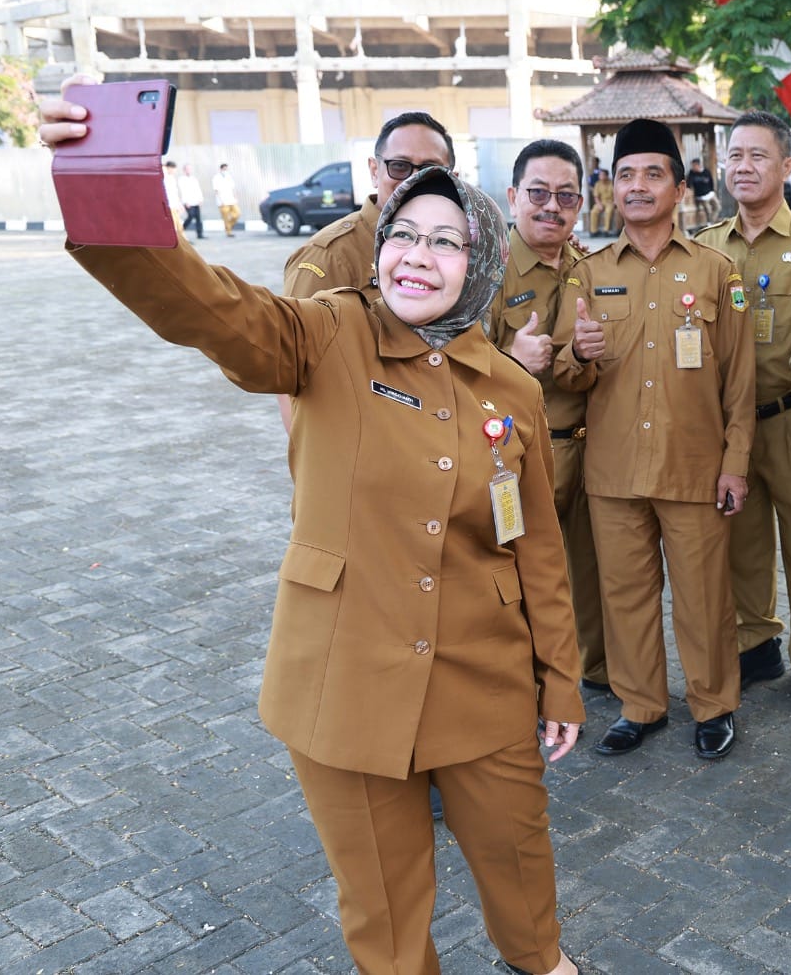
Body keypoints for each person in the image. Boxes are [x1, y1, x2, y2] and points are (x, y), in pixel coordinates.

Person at [40, 87, 582, 975]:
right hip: (345, 680)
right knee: (384, 913)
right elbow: (207, 306)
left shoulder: (511, 388)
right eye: (404, 234)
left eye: (448, 241)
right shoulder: (329, 333)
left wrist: (560, 680)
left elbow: (538, 550)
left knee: (522, 874)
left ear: (482, 262)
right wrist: (105, 182)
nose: (418, 256)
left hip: (483, 680)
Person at [552, 117, 756, 760]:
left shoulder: (717, 271)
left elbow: (740, 379)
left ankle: (714, 706)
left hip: (694, 466)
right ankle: (640, 705)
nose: (637, 186)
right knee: (625, 596)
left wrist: (735, 463)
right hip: (613, 470)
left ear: (679, 188)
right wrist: (577, 354)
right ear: (611, 187)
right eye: (625, 175)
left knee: (703, 599)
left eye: (652, 174)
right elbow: (564, 370)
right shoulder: (587, 275)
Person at [695, 111, 791, 711]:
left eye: (758, 156)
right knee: (742, 542)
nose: (743, 166)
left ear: (787, 166)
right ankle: (757, 643)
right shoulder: (705, 246)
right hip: (729, 427)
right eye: (735, 155)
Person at [487, 139, 611, 697]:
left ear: (581, 203)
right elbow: (447, 369)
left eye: (566, 196)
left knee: (591, 573)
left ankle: (596, 672)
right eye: (538, 193)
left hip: (589, 452)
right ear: (513, 196)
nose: (551, 207)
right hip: (518, 458)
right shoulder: (485, 272)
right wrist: (509, 359)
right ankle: (522, 685)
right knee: (519, 576)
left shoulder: (590, 268)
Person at [277, 112, 455, 432]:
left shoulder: (460, 249)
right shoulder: (330, 256)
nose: (413, 180)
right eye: (399, 166)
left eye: (430, 170)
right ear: (375, 170)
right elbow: (289, 370)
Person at [687, 157, 719, 226]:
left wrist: (712, 191)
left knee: (717, 207)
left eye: (694, 165)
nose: (692, 167)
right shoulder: (692, 173)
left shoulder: (706, 171)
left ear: (698, 165)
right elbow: (688, 183)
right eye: (692, 166)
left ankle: (711, 222)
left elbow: (711, 181)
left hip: (710, 194)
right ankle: (709, 223)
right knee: (708, 210)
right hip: (701, 196)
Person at [179, 163, 206, 239]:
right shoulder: (182, 179)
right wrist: (185, 202)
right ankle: (181, 230)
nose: (189, 170)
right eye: (187, 169)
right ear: (184, 170)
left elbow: (198, 189)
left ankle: (200, 234)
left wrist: (200, 200)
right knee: (190, 216)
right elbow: (182, 191)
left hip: (196, 201)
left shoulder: (194, 179)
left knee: (198, 218)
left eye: (190, 169)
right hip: (188, 202)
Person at [212, 163, 240, 237]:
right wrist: (221, 200)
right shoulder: (216, 178)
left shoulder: (229, 177)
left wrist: (235, 197)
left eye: (226, 169)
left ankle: (229, 226)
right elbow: (216, 190)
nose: (225, 171)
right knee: (226, 217)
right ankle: (229, 232)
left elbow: (233, 188)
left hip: (231, 199)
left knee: (237, 213)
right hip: (223, 201)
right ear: (221, 169)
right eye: (224, 169)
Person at [588, 169, 617, 236]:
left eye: (602, 175)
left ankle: (606, 230)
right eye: (600, 175)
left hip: (610, 202)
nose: (600, 176)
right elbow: (596, 196)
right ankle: (594, 231)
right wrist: (599, 204)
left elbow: (617, 194)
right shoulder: (597, 184)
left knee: (608, 211)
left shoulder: (612, 183)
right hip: (601, 202)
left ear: (606, 176)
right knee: (593, 211)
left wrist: (615, 203)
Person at [163, 160, 184, 229]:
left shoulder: (171, 178)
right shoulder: (165, 178)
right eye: (174, 169)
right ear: (169, 168)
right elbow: (169, 193)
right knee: (175, 226)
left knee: (178, 226)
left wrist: (179, 205)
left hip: (174, 205)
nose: (174, 171)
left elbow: (175, 193)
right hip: (170, 206)